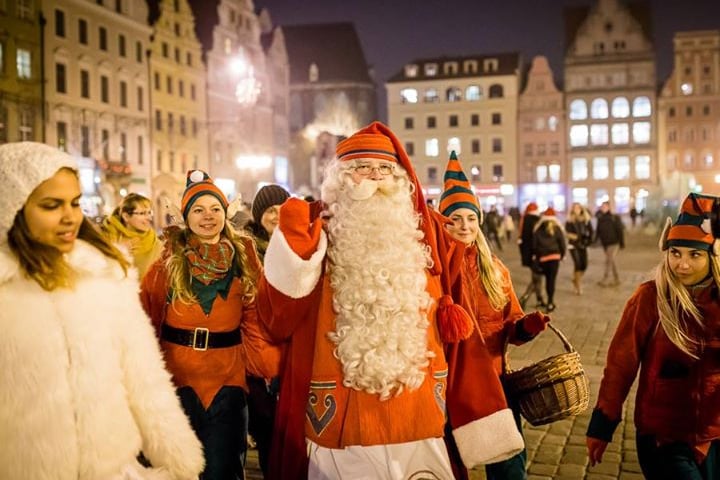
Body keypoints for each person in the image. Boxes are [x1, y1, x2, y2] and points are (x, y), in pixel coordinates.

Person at [257, 122, 523, 479]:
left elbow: (461, 317)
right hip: (341, 414)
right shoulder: (316, 233)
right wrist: (294, 240)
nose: (375, 178)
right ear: (340, 178)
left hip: (417, 411)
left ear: (400, 181)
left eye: (385, 169)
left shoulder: (428, 235)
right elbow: (276, 315)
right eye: (362, 168)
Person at [0, 142, 204, 479]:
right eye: (52, 205)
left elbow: (144, 377)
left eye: (76, 203)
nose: (70, 216)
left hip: (112, 469)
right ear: (11, 208)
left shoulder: (105, 275)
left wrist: (180, 458)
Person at [141, 169, 273, 480]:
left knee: (222, 469)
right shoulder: (168, 258)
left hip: (227, 377)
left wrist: (264, 365)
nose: (208, 217)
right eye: (198, 210)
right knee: (178, 470)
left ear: (226, 213)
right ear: (186, 216)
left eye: (215, 209)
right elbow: (146, 315)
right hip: (177, 377)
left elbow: (255, 315)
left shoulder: (244, 254)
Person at [587, 192, 720, 480]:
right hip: (663, 437)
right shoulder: (650, 297)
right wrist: (602, 425)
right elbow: (620, 364)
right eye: (675, 253)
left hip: (715, 437)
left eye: (694, 255)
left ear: (714, 256)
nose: (681, 264)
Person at [439, 152, 550, 480]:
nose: (464, 226)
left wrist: (527, 326)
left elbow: (510, 327)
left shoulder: (496, 270)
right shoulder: (434, 271)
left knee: (509, 467)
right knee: (448, 466)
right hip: (448, 386)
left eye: (471, 218)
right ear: (442, 221)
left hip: (494, 383)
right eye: (455, 218)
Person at [242, 184, 290, 477]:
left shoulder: (296, 246)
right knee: (267, 432)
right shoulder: (248, 249)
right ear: (259, 215)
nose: (277, 215)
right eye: (271, 210)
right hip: (259, 358)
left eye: (282, 209)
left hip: (290, 355)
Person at [101, 192, 163, 279]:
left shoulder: (156, 244)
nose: (149, 218)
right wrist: (119, 250)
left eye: (149, 212)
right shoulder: (107, 239)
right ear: (126, 216)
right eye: (142, 213)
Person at [532, 207, 566, 313]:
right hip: (554, 258)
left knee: (544, 279)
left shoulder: (538, 228)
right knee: (551, 281)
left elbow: (534, 245)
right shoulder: (557, 228)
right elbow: (562, 243)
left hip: (543, 258)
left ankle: (543, 299)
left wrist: (537, 256)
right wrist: (562, 255)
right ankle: (550, 302)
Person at [244, 184, 291, 259]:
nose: (279, 216)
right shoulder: (245, 250)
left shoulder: (297, 248)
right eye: (271, 211)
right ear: (259, 216)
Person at [518, 202, 545, 309]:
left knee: (537, 277)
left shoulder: (525, 219)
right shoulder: (536, 220)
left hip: (528, 254)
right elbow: (536, 239)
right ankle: (524, 298)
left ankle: (540, 299)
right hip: (536, 253)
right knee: (537, 277)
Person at [565, 202, 594, 295]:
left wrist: (589, 241)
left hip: (583, 245)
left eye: (578, 208)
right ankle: (578, 285)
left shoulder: (586, 219)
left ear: (581, 209)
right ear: (572, 210)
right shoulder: (569, 220)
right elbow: (567, 232)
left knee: (584, 265)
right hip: (573, 245)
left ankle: (575, 279)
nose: (576, 209)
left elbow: (591, 231)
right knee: (577, 264)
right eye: (575, 208)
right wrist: (574, 236)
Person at [595, 201, 625, 287]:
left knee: (609, 260)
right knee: (612, 260)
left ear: (609, 207)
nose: (603, 208)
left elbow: (620, 231)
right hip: (605, 244)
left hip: (614, 243)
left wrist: (622, 242)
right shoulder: (600, 218)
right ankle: (617, 279)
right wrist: (595, 240)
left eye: (605, 206)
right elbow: (598, 231)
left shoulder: (614, 218)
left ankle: (605, 279)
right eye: (602, 206)